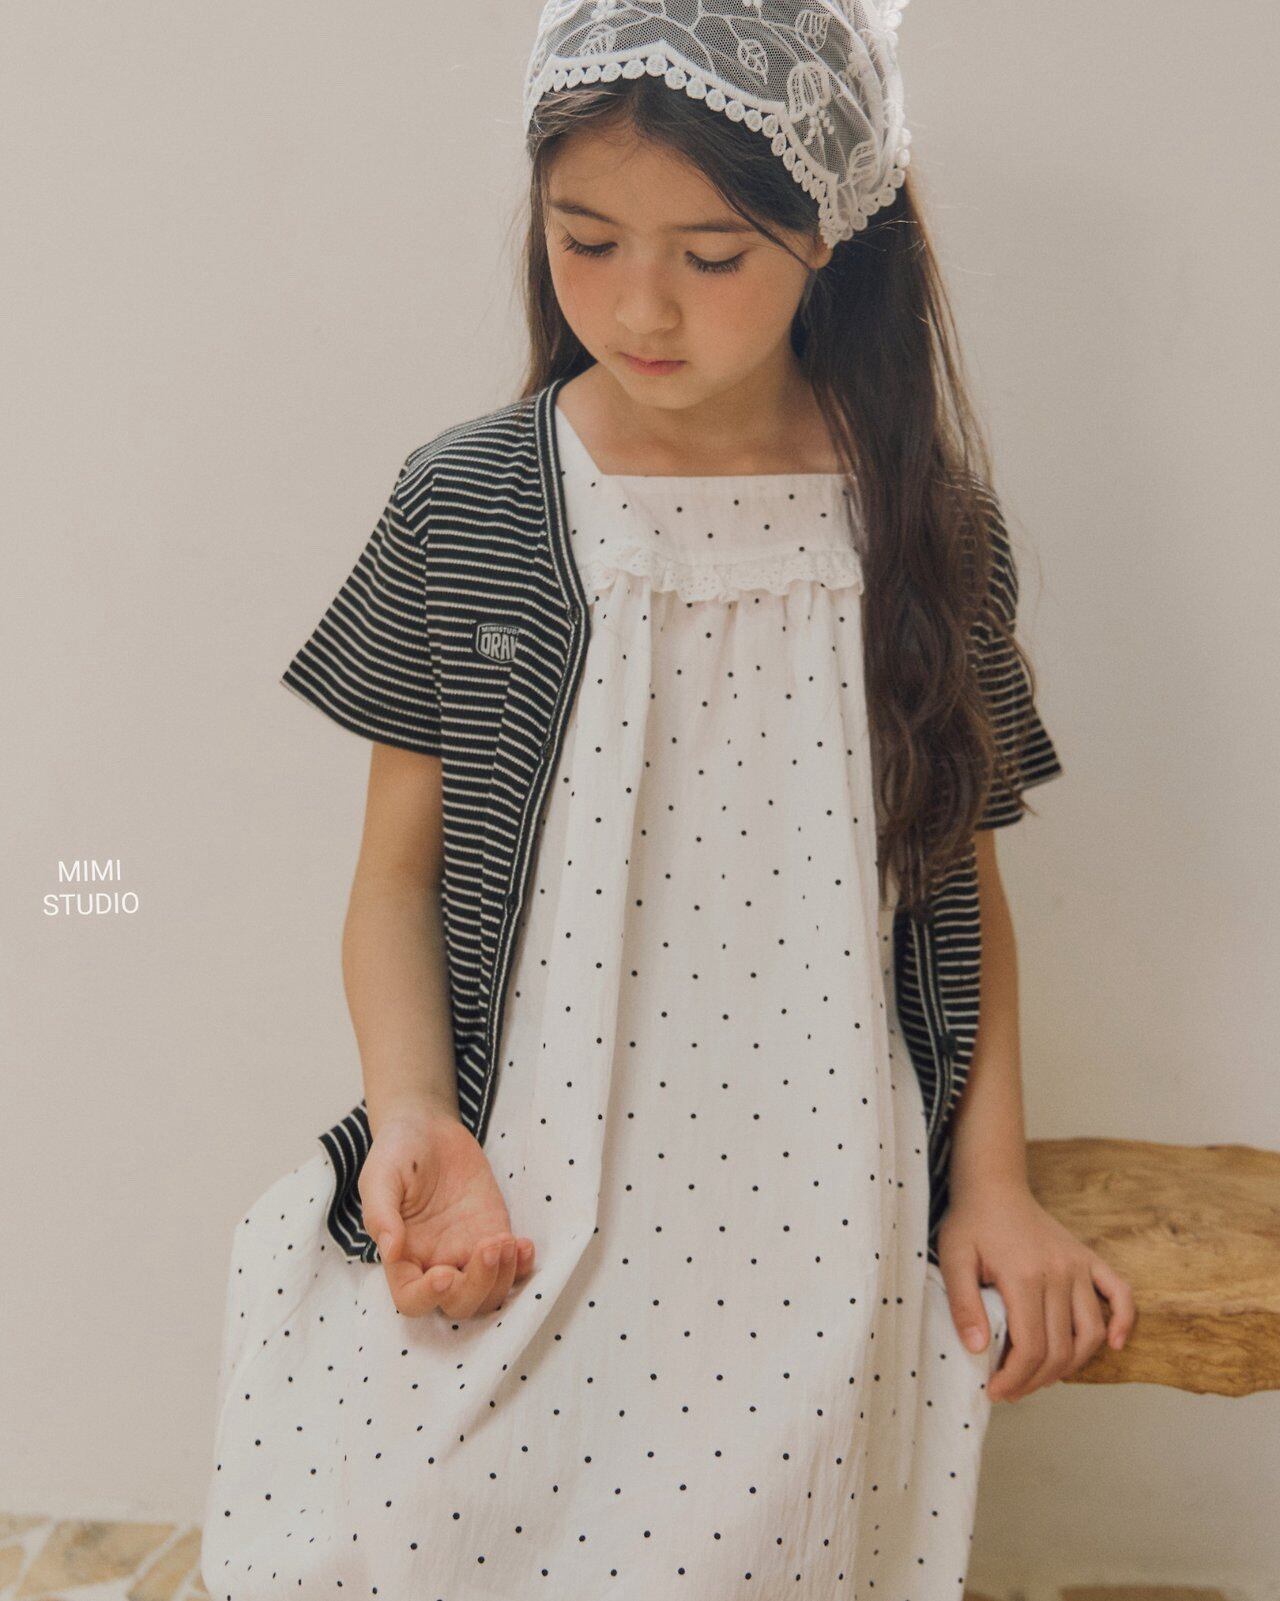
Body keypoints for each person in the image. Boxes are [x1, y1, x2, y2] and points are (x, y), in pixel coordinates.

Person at [201, 3, 1134, 1595]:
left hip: (815, 1192)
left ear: (830, 235)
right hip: (529, 1156)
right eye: (586, 240)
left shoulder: (924, 528)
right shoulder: (466, 504)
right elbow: (396, 879)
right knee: (398, 1491)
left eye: (712, 256)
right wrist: (414, 1108)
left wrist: (991, 1184)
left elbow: (959, 882)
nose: (639, 305)